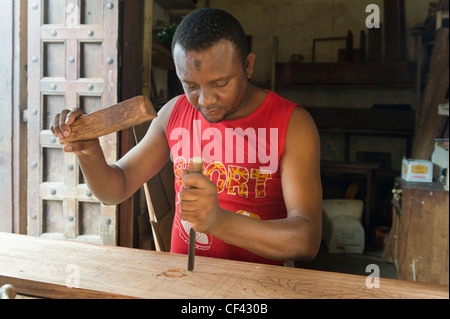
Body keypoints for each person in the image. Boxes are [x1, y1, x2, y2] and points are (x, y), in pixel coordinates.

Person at [50, 8, 322, 265]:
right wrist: (89, 153)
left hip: (258, 288)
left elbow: (306, 240)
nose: (206, 100)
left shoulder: (292, 124)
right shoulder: (174, 113)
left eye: (220, 83)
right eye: (190, 85)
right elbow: (116, 187)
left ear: (248, 66)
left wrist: (217, 221)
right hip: (185, 280)